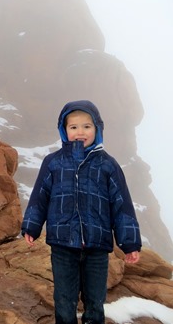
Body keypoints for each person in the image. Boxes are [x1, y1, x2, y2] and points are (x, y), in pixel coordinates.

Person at [21, 100, 141, 324]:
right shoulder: (53, 162)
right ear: (64, 130)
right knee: (64, 299)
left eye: (87, 126)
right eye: (73, 127)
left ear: (97, 129)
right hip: (63, 244)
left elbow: (121, 204)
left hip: (97, 247)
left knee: (95, 301)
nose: (80, 132)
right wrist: (32, 225)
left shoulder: (108, 164)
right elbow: (40, 196)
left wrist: (130, 242)